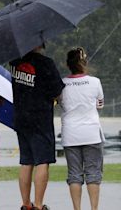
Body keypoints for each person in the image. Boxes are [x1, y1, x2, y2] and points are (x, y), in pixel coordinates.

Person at [9, 44, 65, 210]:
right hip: (40, 118)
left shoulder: (14, 63)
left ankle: (26, 204)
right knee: (42, 161)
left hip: (20, 117)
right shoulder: (46, 63)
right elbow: (56, 92)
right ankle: (39, 205)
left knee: (26, 162)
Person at [59, 47, 105, 210]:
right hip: (92, 133)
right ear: (84, 62)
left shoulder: (62, 84)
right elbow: (100, 104)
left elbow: (60, 104)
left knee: (74, 176)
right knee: (93, 174)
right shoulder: (95, 82)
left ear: (68, 64)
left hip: (71, 135)